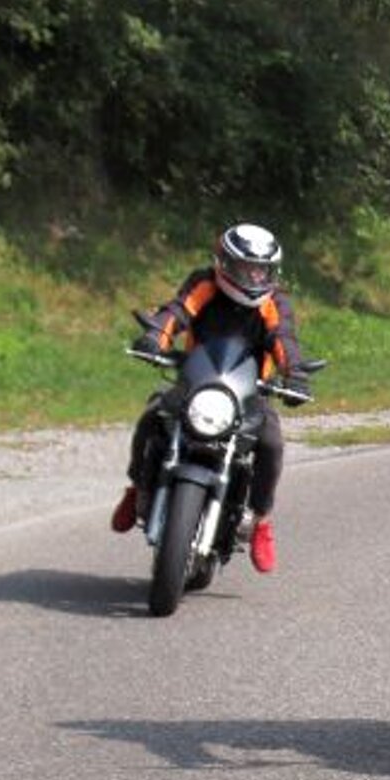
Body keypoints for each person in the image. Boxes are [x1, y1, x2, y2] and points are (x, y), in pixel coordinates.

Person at [112, 223, 307, 573]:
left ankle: (260, 520)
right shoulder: (205, 283)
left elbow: (283, 339)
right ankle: (137, 486)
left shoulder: (275, 302)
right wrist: (156, 337)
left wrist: (295, 374)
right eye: (247, 267)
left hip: (249, 394)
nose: (254, 276)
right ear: (225, 263)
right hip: (196, 383)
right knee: (152, 416)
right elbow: (177, 311)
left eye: (262, 270)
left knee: (271, 442)